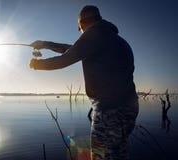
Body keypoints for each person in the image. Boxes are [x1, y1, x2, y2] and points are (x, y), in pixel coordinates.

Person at [29, 5, 139, 160]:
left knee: (100, 155)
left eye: (79, 29)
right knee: (118, 152)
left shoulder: (94, 35)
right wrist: (45, 44)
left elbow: (66, 58)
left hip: (109, 111)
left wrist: (37, 64)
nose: (80, 33)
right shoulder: (117, 41)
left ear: (81, 24)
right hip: (129, 108)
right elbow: (73, 49)